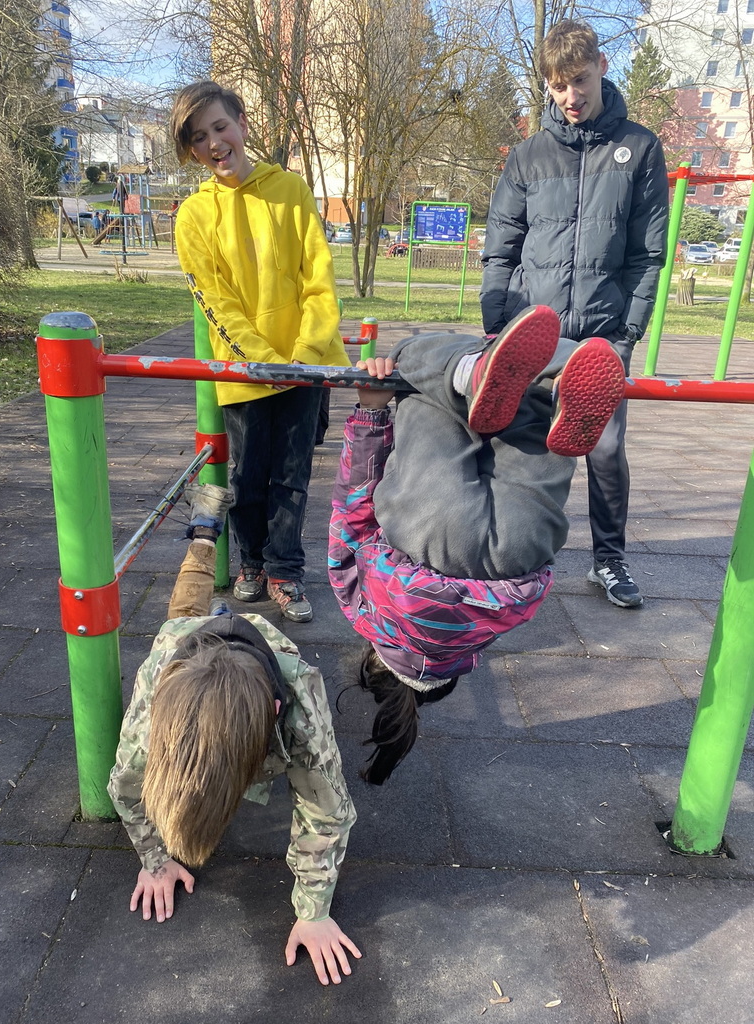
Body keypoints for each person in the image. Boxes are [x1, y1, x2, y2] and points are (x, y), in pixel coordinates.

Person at [328, 306, 626, 784]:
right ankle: (468, 371)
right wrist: (370, 411)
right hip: (428, 532)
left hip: (521, 550)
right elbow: (352, 514)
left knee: (534, 419)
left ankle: (556, 379)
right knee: (414, 371)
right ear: (372, 662)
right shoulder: (365, 616)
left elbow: (527, 604)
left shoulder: (478, 640)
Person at [108, 482, 360, 986]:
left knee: (194, 614)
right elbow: (126, 787)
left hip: (263, 653)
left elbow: (326, 813)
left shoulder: (301, 702)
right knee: (185, 611)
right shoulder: (157, 692)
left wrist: (313, 912)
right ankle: (204, 531)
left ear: (274, 714)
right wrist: (155, 859)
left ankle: (209, 542)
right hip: (186, 647)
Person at [480, 19, 669, 609]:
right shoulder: (529, 156)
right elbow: (501, 245)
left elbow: (647, 255)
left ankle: (608, 560)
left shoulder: (639, 149)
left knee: (605, 450)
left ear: (601, 68)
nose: (571, 96)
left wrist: (625, 337)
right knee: (519, 448)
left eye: (580, 80)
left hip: (600, 337)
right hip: (532, 332)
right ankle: (509, 556)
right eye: (558, 86)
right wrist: (497, 326)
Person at [169, 81, 350, 623]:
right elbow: (214, 298)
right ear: (191, 150)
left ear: (242, 124)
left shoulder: (290, 190)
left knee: (292, 473)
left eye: (220, 126)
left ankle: (286, 571)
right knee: (248, 476)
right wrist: (258, 358)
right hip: (245, 369)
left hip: (302, 361)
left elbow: (318, 276)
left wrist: (306, 351)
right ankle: (251, 561)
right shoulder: (194, 215)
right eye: (198, 137)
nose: (213, 143)